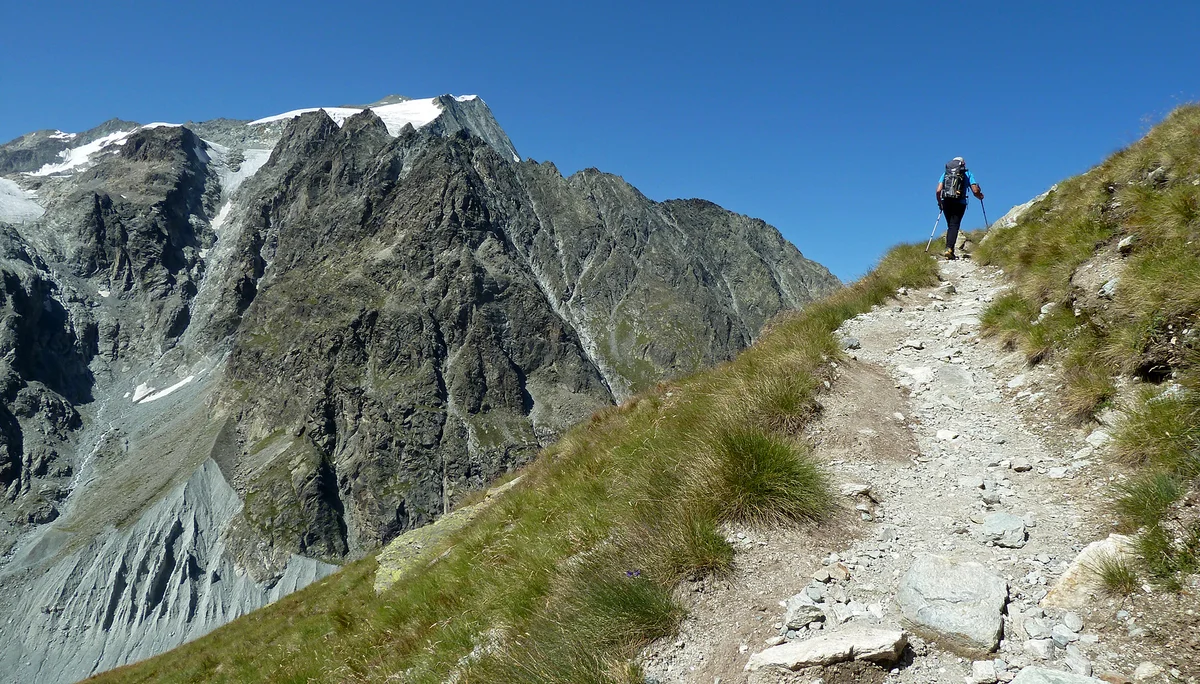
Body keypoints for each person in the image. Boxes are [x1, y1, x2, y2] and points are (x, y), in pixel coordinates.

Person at [935, 157, 984, 259]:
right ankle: (949, 249)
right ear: (963, 163)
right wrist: (980, 196)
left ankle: (949, 248)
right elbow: (975, 191)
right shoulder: (967, 173)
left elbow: (938, 190)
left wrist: (940, 203)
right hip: (960, 202)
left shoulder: (946, 173)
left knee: (951, 225)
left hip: (946, 201)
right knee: (954, 225)